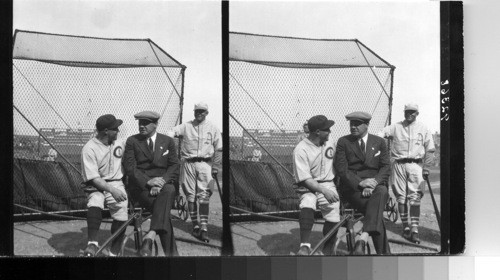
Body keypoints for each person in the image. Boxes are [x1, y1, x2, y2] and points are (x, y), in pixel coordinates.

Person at [123, 111, 180, 256]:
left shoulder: (167, 141)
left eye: (145, 123)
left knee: (167, 191)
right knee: (164, 208)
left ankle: (150, 235)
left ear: (156, 124)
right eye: (140, 123)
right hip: (141, 189)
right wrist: (149, 182)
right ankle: (172, 256)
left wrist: (161, 182)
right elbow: (130, 168)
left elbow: (174, 165)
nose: (141, 126)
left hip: (163, 186)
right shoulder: (132, 141)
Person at [334, 111, 391, 255]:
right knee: (376, 209)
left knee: (381, 192)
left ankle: (362, 239)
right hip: (353, 189)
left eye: (357, 124)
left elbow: (386, 167)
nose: (353, 127)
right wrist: (361, 183)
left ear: (367, 125)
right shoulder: (343, 142)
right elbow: (342, 170)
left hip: (375, 187)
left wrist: (374, 183)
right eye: (351, 124)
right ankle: (383, 254)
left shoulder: (379, 142)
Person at [378, 103, 435, 244]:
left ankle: (415, 229)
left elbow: (430, 149)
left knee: (415, 197)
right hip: (398, 164)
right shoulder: (395, 127)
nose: (410, 114)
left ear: (417, 113)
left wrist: (426, 167)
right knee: (401, 198)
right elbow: (379, 136)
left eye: (413, 112)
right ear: (404, 112)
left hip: (416, 165)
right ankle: (406, 227)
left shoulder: (423, 128)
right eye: (407, 111)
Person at [167, 102, 222, 243]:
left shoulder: (213, 127)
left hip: (205, 164)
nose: (199, 113)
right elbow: (171, 132)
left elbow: (219, 148)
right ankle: (195, 225)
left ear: (206, 113)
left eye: (202, 111)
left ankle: (204, 228)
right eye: (197, 111)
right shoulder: (186, 126)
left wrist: (216, 166)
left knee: (204, 196)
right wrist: (170, 139)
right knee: (190, 196)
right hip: (188, 163)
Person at [81, 114, 128, 257]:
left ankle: (113, 252)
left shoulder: (119, 143)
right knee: (95, 200)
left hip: (116, 182)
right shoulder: (89, 148)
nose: (118, 131)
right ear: (106, 131)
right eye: (115, 129)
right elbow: (94, 178)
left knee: (122, 207)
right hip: (97, 184)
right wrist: (112, 190)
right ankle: (92, 245)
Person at [292, 115, 339, 255]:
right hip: (308, 185)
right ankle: (304, 246)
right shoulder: (300, 149)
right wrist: (324, 191)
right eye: (327, 129)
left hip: (328, 183)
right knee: (308, 201)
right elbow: (306, 180)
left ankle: (327, 250)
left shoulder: (330, 142)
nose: (330, 132)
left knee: (334, 210)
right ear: (317, 132)